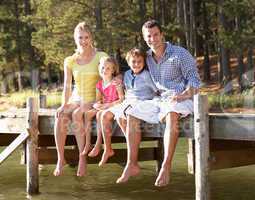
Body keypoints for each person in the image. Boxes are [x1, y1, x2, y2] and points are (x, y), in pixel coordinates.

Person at [116, 20, 200, 187]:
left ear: (162, 35)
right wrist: (118, 77)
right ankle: (132, 163)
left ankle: (166, 166)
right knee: (130, 112)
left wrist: (184, 94)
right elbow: (133, 69)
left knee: (171, 113)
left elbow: (195, 82)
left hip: (181, 99)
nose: (153, 39)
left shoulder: (179, 54)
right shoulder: (146, 57)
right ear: (144, 38)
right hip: (159, 100)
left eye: (155, 34)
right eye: (149, 36)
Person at [53, 22, 108, 177]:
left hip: (95, 97)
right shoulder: (69, 60)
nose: (83, 41)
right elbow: (67, 86)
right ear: (75, 39)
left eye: (86, 37)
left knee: (78, 114)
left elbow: (111, 75)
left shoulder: (101, 56)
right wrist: (64, 104)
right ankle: (60, 158)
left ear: (91, 37)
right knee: (61, 115)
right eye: (80, 38)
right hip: (77, 97)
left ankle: (82, 158)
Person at [98, 47, 158, 166]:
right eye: (133, 62)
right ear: (128, 62)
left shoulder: (146, 75)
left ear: (144, 62)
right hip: (127, 102)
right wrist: (118, 78)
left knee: (123, 116)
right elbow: (121, 83)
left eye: (139, 61)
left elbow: (156, 90)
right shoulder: (126, 75)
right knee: (108, 116)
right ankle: (108, 148)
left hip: (141, 102)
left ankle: (131, 148)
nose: (136, 64)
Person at [85, 57, 124, 161]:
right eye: (102, 68)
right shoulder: (99, 84)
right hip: (104, 106)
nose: (104, 70)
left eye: (108, 68)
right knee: (87, 114)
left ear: (113, 70)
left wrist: (107, 106)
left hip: (114, 106)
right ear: (99, 68)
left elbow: (122, 99)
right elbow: (98, 100)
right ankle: (87, 143)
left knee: (98, 115)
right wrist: (97, 105)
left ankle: (98, 144)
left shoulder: (116, 82)